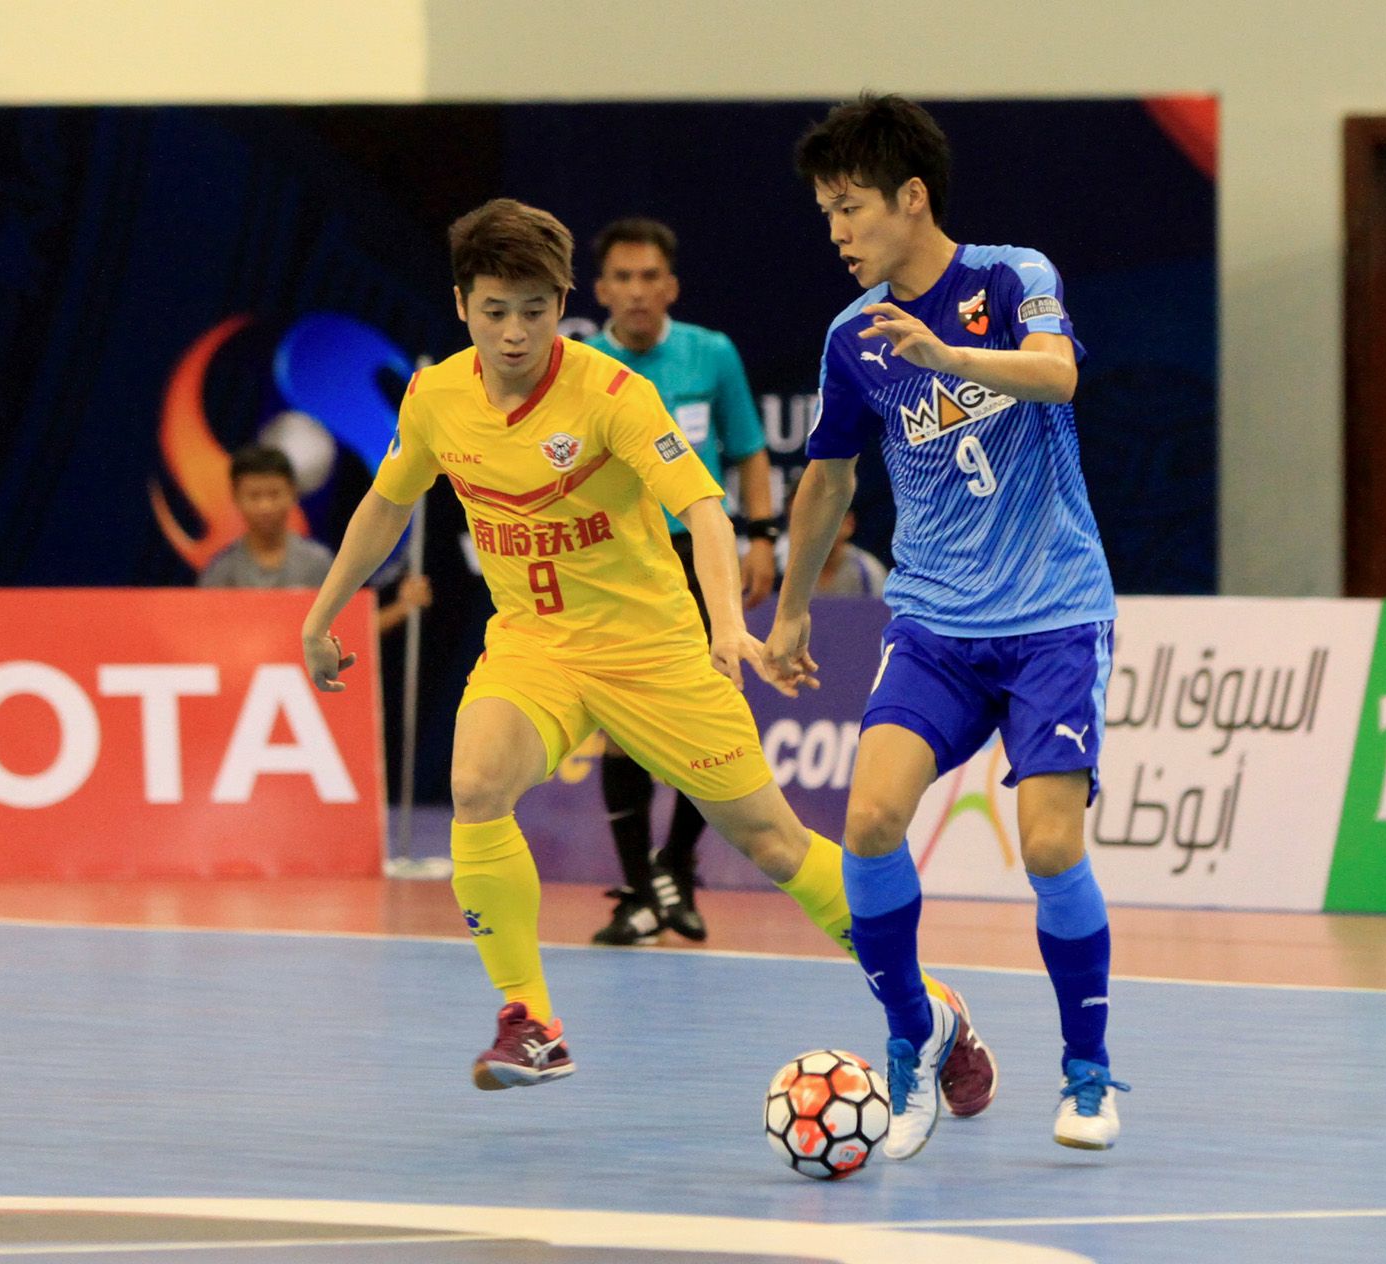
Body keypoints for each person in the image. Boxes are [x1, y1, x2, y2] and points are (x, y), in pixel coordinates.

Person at [300, 198, 994, 1126]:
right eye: (497, 309)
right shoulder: (434, 399)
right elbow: (387, 506)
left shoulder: (612, 394)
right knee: (474, 785)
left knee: (776, 845)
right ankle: (531, 1021)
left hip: (652, 653)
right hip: (534, 646)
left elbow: (704, 509)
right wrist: (324, 611)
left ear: (562, 306)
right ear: (463, 304)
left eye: (536, 310)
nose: (516, 332)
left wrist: (722, 623)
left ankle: (933, 1008)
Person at [766, 94, 1127, 1154]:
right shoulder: (851, 340)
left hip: (1052, 612)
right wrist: (788, 612)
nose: (835, 232)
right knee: (867, 820)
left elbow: (1058, 376)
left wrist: (947, 357)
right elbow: (825, 483)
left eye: (849, 208)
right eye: (824, 212)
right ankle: (915, 1036)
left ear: (910, 198)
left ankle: (1089, 1075)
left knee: (1049, 843)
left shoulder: (1015, 277)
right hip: (932, 621)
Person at [583, 217, 778, 947]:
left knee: (712, 717)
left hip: (701, 556)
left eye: (648, 277)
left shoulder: (711, 354)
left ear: (670, 285)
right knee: (622, 733)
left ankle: (678, 865)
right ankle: (637, 892)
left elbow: (752, 452)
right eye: (622, 279)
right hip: (622, 569)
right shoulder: (582, 365)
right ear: (601, 290)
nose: (636, 292)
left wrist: (761, 537)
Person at [201, 444, 431, 629]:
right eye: (254, 496)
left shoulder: (319, 562)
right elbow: (201, 636)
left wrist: (403, 607)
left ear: (293, 493)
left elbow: (350, 630)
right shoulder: (221, 571)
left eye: (274, 494)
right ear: (236, 497)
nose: (265, 506)